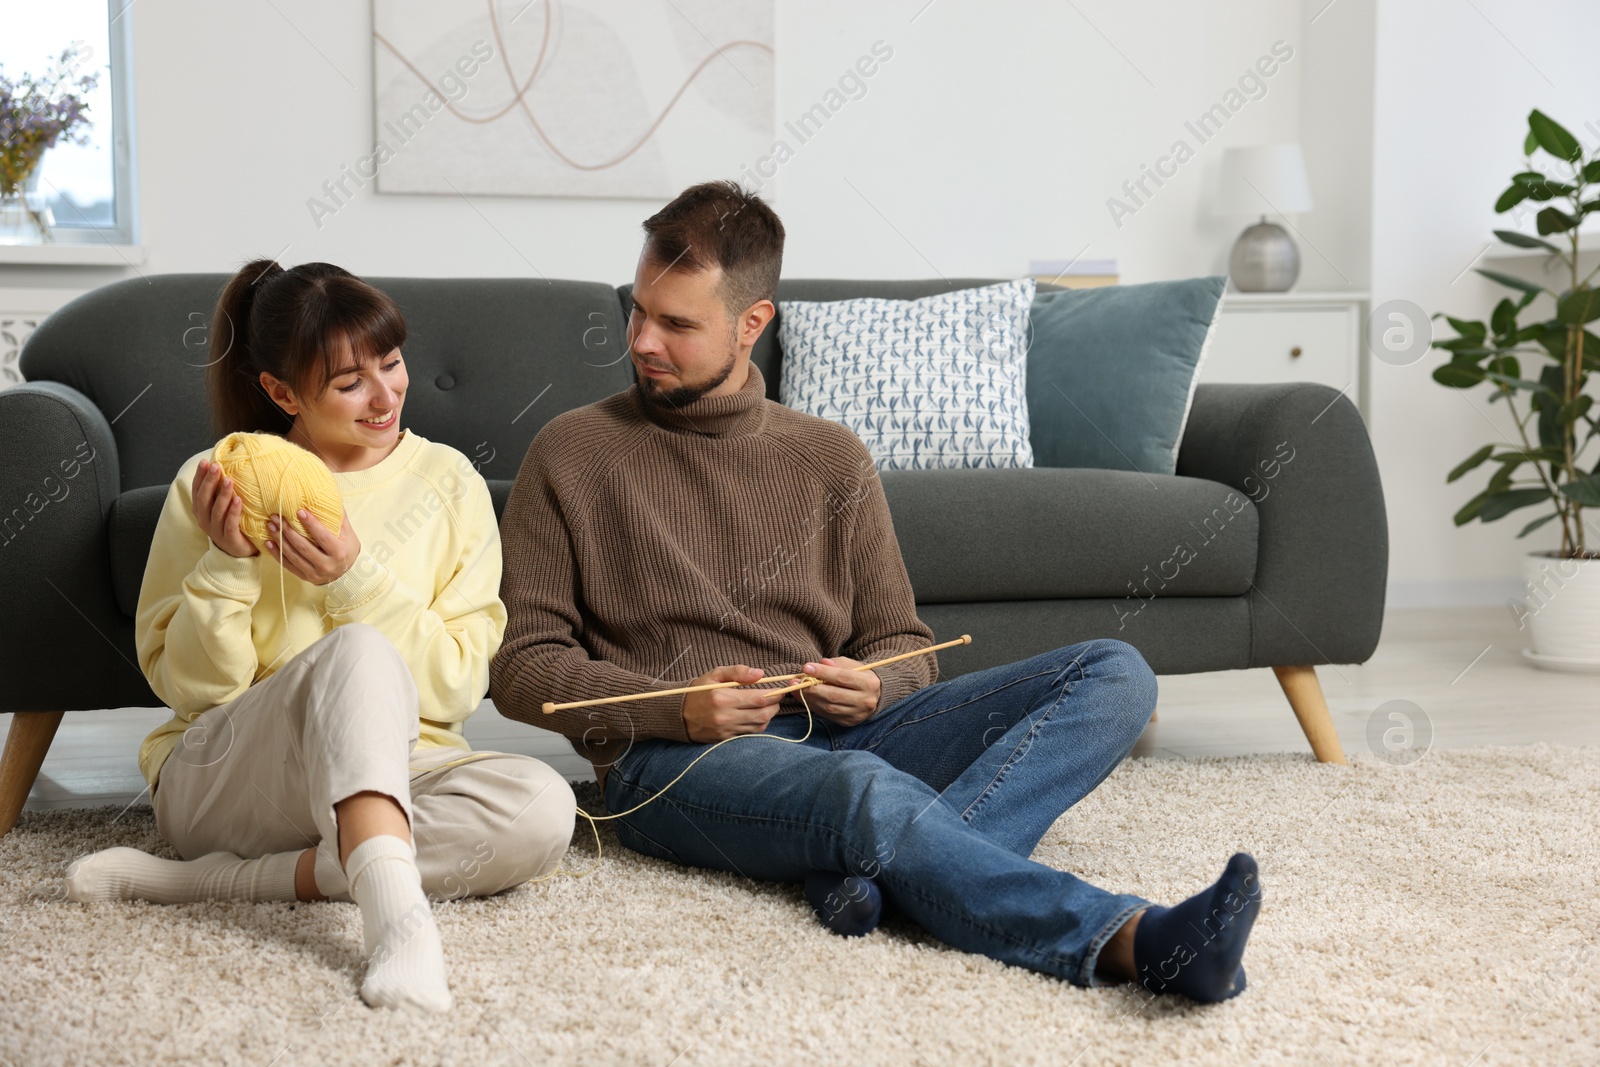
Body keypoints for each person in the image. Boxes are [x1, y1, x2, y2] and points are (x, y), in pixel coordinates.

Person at [489, 182, 1262, 1003]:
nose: (644, 340)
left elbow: (902, 640)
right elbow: (522, 667)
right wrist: (674, 706)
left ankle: (878, 883)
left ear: (752, 324)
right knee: (864, 793)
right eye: (639, 312)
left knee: (1117, 674)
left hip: (849, 734)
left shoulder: (830, 456)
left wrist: (878, 681)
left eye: (677, 324)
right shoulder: (569, 452)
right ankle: (1133, 940)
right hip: (673, 764)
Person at [63, 260, 576, 1014]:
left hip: (401, 767)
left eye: (392, 365)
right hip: (228, 775)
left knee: (543, 807)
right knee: (359, 651)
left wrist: (353, 579)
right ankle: (400, 924)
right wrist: (228, 563)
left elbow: (460, 684)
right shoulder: (214, 484)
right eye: (348, 383)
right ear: (281, 392)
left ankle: (208, 880)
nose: (385, 395)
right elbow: (191, 690)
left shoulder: (451, 482)